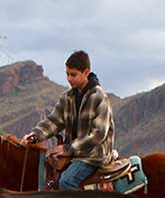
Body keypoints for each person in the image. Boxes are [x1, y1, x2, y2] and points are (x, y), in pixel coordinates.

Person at [20, 50, 115, 190]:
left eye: (73, 75)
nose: (69, 79)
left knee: (66, 181)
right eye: (67, 74)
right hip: (74, 154)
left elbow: (98, 134)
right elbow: (53, 122)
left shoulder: (99, 98)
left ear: (86, 72)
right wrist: (34, 136)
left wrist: (67, 149)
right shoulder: (67, 98)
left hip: (93, 156)